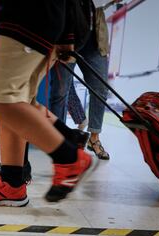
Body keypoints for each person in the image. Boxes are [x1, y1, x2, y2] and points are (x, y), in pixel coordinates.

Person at [0, 0, 97, 206]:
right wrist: (67, 32)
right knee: (15, 102)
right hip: (40, 18)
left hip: (26, 15)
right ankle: (12, 183)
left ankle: (69, 157)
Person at [49, 0, 122, 160]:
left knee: (100, 89)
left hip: (94, 38)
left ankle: (94, 138)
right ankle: (58, 141)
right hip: (68, 37)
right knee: (60, 92)